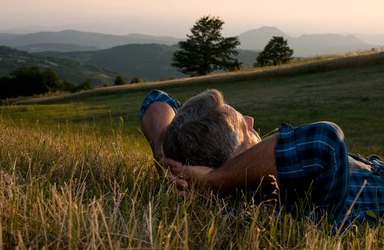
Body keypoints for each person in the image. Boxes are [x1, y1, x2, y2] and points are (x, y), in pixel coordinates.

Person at [140, 89, 384, 229]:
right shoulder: (290, 201)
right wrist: (212, 181)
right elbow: (325, 140)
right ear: (230, 163)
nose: (251, 120)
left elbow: (157, 99)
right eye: (244, 130)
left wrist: (165, 158)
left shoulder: (220, 163)